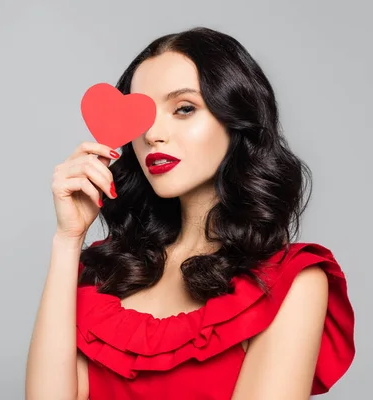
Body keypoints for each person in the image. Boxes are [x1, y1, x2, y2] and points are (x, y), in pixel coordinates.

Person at [25, 26, 355, 400]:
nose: (153, 134)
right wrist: (67, 240)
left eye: (183, 108)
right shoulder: (108, 270)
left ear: (235, 120)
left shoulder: (291, 280)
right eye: (141, 116)